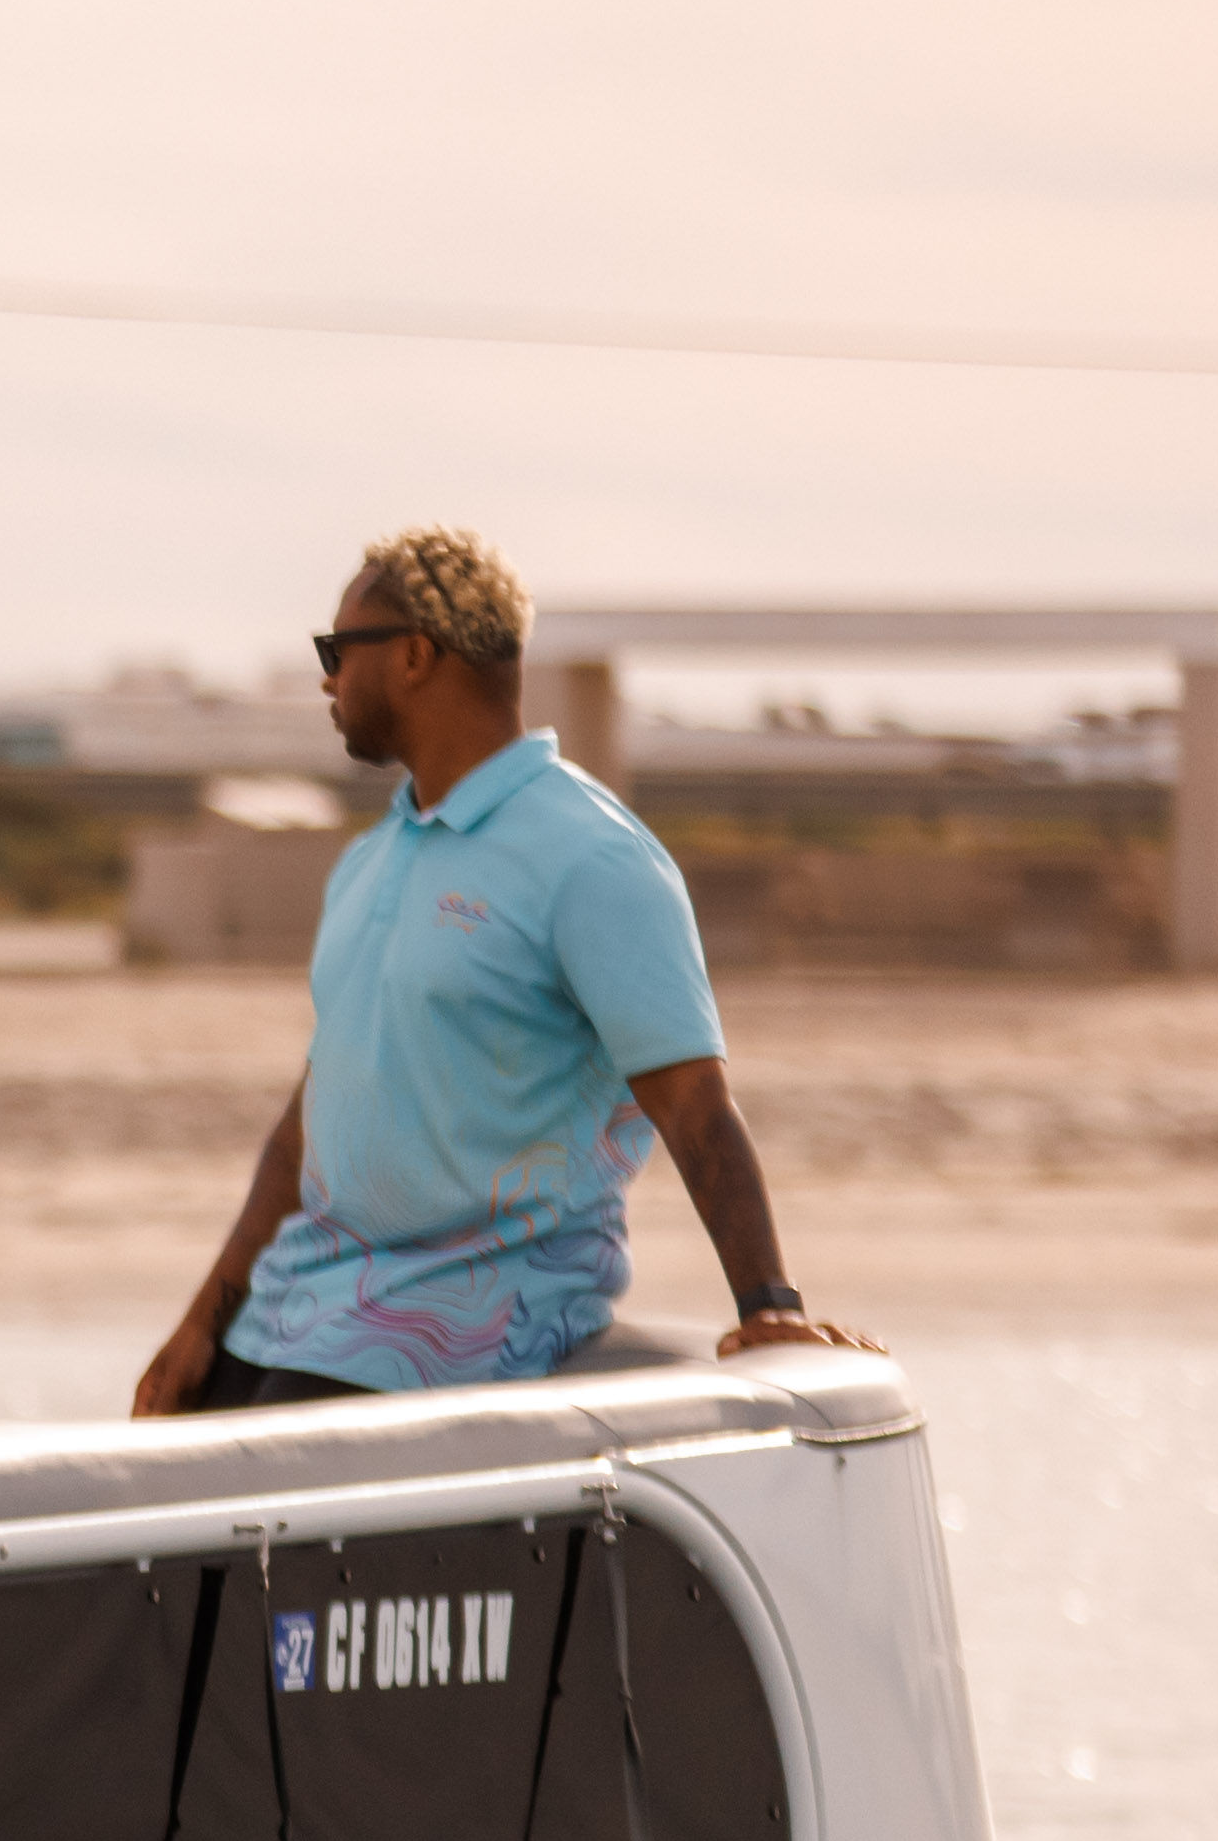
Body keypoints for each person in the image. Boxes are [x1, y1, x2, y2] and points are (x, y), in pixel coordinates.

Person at [137, 521, 872, 1413]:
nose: (328, 679)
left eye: (338, 650)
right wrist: (203, 1322)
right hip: (293, 1318)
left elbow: (693, 1101)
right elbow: (310, 1124)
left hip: (459, 1333)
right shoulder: (374, 857)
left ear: (414, 656)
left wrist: (769, 1306)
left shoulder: (590, 856)